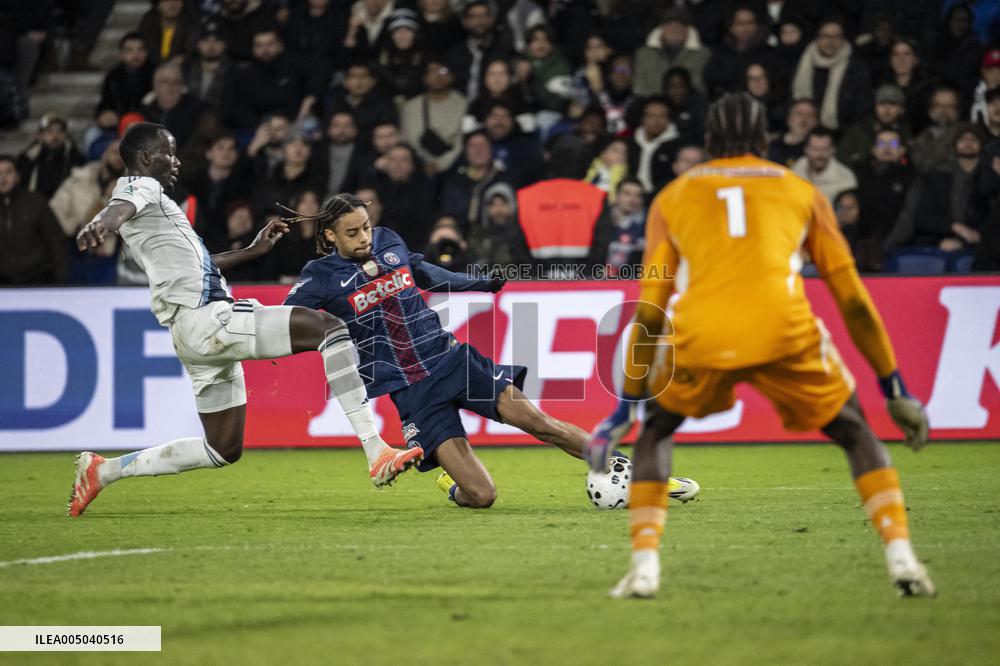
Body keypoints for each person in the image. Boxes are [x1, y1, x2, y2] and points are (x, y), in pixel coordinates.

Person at [585, 92, 934, 599]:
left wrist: (623, 409)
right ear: (764, 141)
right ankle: (903, 559)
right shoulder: (800, 190)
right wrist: (894, 386)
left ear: (707, 143)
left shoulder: (674, 196)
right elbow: (852, 299)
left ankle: (644, 569)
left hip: (702, 332)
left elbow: (651, 309)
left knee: (656, 430)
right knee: (855, 430)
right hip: (784, 331)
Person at [67, 123, 423, 518]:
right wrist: (100, 223)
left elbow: (197, 264)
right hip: (208, 319)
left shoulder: (155, 216)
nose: (177, 161)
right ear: (148, 158)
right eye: (170, 152)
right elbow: (118, 209)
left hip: (191, 335)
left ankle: (103, 471)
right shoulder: (141, 188)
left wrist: (253, 250)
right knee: (331, 329)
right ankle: (376, 450)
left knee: (222, 448)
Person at [282, 194, 697, 508]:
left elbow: (426, 273)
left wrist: (477, 283)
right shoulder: (320, 278)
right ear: (329, 236)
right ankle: (449, 479)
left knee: (539, 422)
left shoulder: (390, 243)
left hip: (452, 361)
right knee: (481, 496)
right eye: (352, 233)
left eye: (366, 227)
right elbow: (284, 318)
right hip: (411, 390)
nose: (364, 238)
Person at [791, 17, 873, 131]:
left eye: (835, 37)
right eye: (825, 36)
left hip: (843, 132)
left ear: (843, 39)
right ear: (817, 38)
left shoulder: (856, 68)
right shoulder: (802, 62)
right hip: (805, 130)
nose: (830, 42)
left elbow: (861, 108)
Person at [0, 154, 69, 285]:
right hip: (3, 283)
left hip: (37, 278)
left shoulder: (35, 202)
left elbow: (56, 241)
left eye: (8, 172)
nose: (3, 178)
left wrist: (61, 280)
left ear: (17, 176)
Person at [400, 59, 467, 175]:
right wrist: (424, 164)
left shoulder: (465, 105)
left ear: (451, 76)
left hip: (454, 168)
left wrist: (440, 164)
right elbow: (407, 140)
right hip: (417, 168)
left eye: (442, 71)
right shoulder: (410, 107)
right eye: (431, 71)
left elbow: (464, 143)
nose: (437, 76)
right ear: (424, 77)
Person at [632, 7, 709, 97]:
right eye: (669, 24)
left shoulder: (704, 54)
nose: (674, 28)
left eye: (680, 25)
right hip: (651, 106)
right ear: (661, 28)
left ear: (688, 30)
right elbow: (638, 87)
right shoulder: (642, 54)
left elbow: (702, 88)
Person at [17, 113, 86, 199]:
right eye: (49, 131)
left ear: (65, 135)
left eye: (60, 131)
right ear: (40, 135)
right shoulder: (27, 159)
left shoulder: (76, 159)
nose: (55, 136)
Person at [792, 128, 858, 203]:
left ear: (833, 150)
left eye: (825, 149)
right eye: (815, 149)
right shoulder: (797, 168)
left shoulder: (845, 178)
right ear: (806, 149)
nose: (820, 155)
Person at [767, 98, 817, 167]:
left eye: (810, 115)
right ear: (789, 119)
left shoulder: (820, 150)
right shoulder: (771, 146)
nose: (804, 119)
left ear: (815, 122)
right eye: (799, 114)